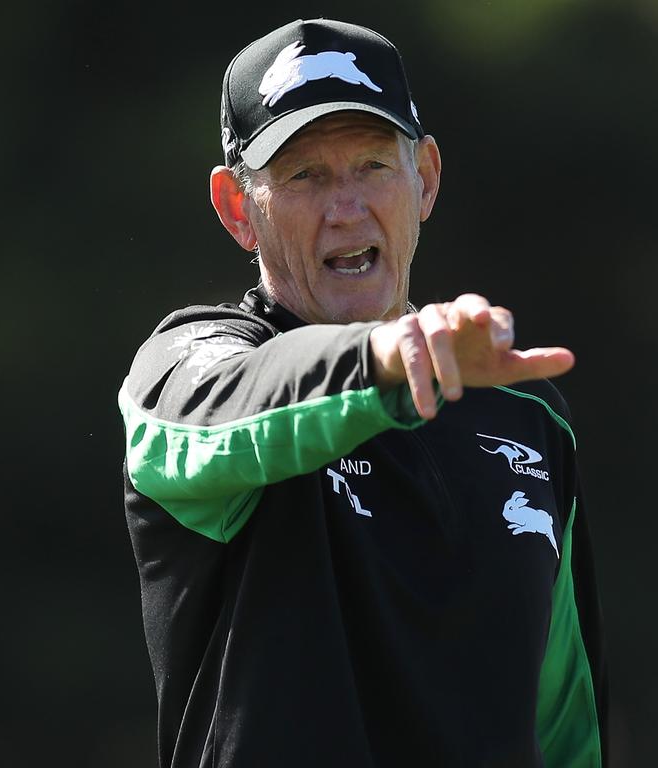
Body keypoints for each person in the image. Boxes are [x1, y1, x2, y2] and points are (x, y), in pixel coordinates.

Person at [119, 17, 608, 768]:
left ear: (427, 181)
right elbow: (221, 413)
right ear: (237, 210)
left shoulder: (527, 416)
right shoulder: (195, 365)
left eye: (374, 164)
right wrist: (382, 362)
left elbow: (565, 724)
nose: (345, 207)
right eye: (305, 175)